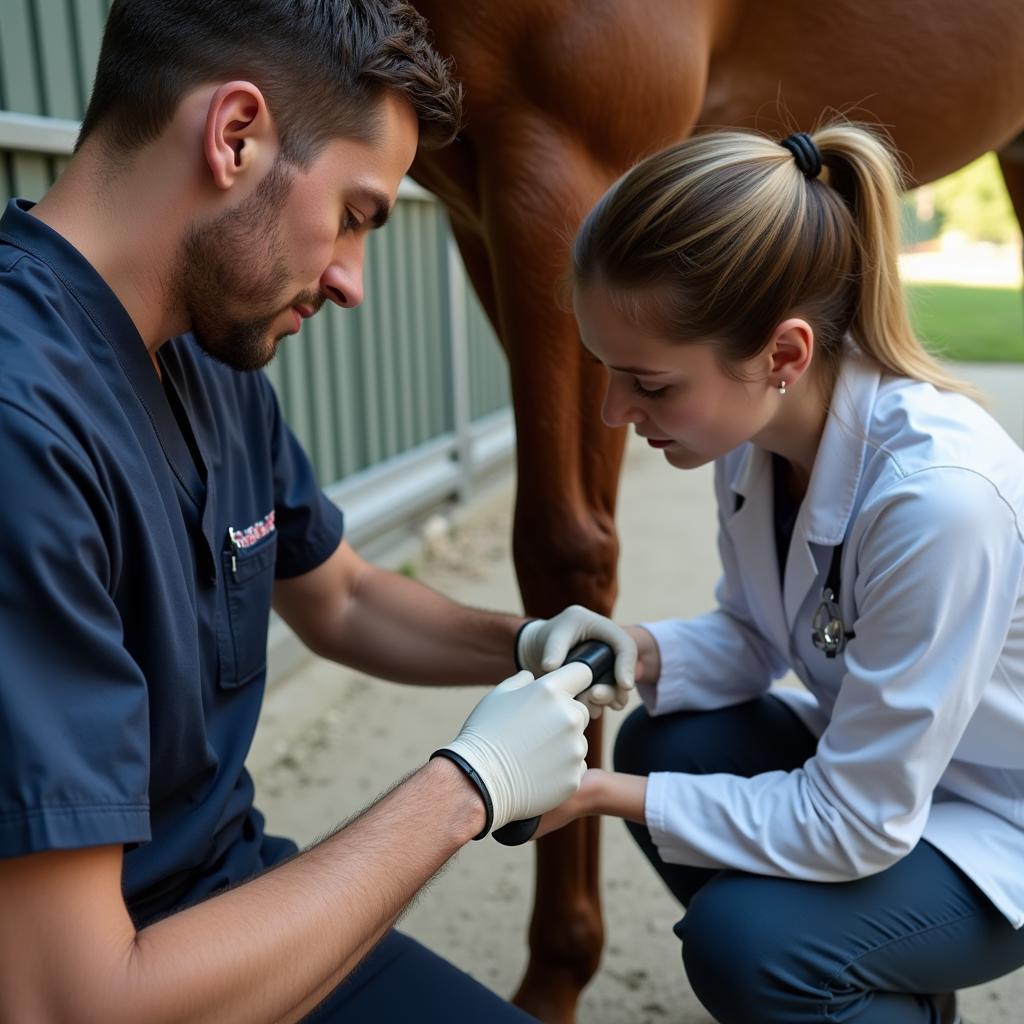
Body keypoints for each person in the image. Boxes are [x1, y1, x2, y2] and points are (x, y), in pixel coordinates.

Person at [0, 2, 639, 1020]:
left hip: (237, 908)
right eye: (354, 214)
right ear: (235, 135)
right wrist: (468, 784)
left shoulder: (213, 350)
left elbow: (338, 594)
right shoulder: (22, 430)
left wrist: (523, 643)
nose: (350, 282)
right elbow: (73, 998)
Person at [526, 123, 1024, 1024]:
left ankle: (844, 976)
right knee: (663, 739)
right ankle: (886, 987)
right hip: (894, 780)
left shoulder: (938, 500)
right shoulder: (750, 433)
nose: (612, 411)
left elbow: (859, 820)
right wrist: (630, 651)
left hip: (998, 824)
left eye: (648, 382)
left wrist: (592, 794)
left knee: (743, 943)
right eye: (605, 371)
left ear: (783, 357)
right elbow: (757, 635)